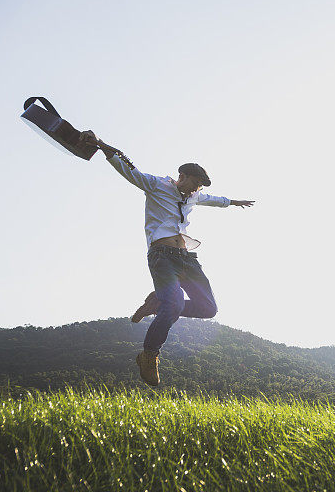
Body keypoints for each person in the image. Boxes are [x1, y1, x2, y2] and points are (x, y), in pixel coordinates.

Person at [79, 130, 254, 387]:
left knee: (209, 308)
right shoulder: (156, 185)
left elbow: (215, 200)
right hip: (162, 257)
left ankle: (158, 304)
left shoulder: (194, 195)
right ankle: (149, 355)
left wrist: (234, 202)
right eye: (193, 183)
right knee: (174, 306)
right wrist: (101, 144)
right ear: (181, 176)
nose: (196, 190)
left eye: (199, 187)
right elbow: (127, 168)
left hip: (186, 258)